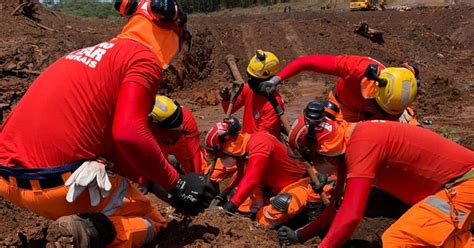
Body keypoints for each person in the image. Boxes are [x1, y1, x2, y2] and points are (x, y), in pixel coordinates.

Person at [0, 0, 215, 247]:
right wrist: (177, 184)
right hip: (55, 186)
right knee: (152, 220)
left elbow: (114, 145)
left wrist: (156, 183)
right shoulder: (143, 59)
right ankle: (86, 232)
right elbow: (128, 133)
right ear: (172, 30)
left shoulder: (86, 55)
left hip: (8, 181)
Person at [278, 101, 474, 247]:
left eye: (312, 159)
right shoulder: (350, 144)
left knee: (396, 241)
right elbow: (339, 208)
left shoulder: (362, 145)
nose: (314, 165)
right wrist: (301, 235)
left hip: (461, 186)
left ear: (321, 149)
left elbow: (351, 216)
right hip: (452, 188)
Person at [205, 117, 330, 227]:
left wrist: (230, 207)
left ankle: (270, 219)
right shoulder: (243, 151)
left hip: (299, 182)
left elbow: (251, 178)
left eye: (221, 155)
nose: (222, 159)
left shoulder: (259, 143)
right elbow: (242, 176)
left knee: (278, 207)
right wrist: (223, 196)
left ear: (228, 144)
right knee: (235, 193)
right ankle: (255, 210)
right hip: (269, 185)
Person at [259, 54, 420, 124]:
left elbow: (411, 70)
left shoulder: (401, 90)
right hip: (343, 107)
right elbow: (306, 62)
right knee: (333, 144)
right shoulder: (355, 68)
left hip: (375, 117)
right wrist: (276, 79)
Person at [220, 50, 285, 139]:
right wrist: (227, 98)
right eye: (249, 76)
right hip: (247, 141)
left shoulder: (273, 104)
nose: (250, 81)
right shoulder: (249, 89)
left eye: (254, 79)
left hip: (262, 148)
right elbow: (229, 109)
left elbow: (262, 138)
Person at [148, 95, 206, 174]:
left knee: (192, 166)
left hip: (179, 140)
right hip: (158, 144)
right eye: (174, 125)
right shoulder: (144, 123)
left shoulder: (186, 118)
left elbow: (194, 152)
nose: (180, 126)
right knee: (159, 171)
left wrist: (198, 176)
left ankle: (178, 166)